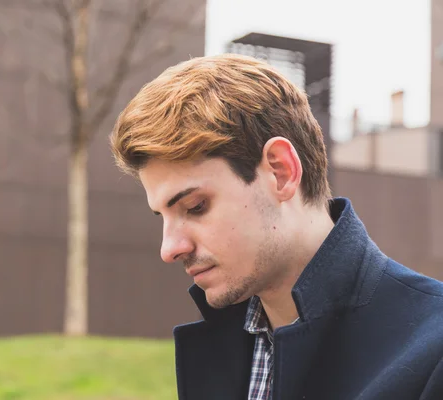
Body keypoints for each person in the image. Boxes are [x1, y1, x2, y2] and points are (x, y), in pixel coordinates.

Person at [109, 54, 443, 400]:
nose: (169, 249)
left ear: (280, 171)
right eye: (163, 216)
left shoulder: (433, 353)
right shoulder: (225, 346)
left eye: (195, 207)